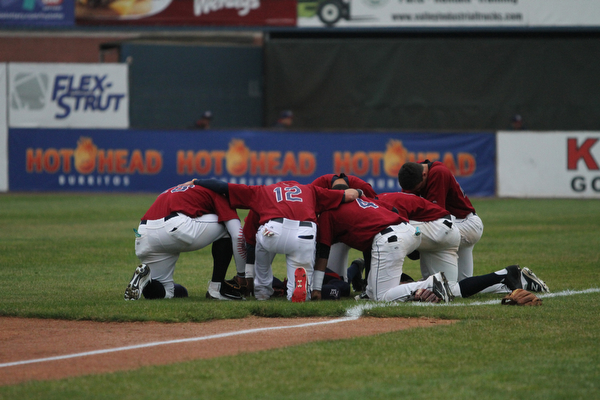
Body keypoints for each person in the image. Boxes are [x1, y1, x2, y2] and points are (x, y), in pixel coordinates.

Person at [188, 178, 361, 302]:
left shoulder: (264, 190)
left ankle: (262, 290)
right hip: (305, 234)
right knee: (301, 292)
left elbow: (223, 186)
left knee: (260, 243)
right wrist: (359, 191)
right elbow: (349, 195)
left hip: (273, 231)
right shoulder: (310, 190)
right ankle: (299, 290)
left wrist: (197, 182)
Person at [124, 182, 246, 301]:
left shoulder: (181, 188)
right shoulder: (221, 195)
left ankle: (146, 280)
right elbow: (238, 235)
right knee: (227, 228)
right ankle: (216, 289)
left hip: (144, 234)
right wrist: (242, 276)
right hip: (172, 227)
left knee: (168, 293)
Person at [398, 160, 483, 282]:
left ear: (424, 175)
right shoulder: (413, 172)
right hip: (455, 223)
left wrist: (412, 241)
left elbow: (434, 217)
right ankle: (505, 278)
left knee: (429, 234)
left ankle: (430, 281)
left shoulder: (438, 173)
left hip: (466, 225)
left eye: (418, 188)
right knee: (464, 284)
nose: (416, 191)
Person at [377, 191, 461, 282]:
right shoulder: (386, 198)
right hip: (452, 230)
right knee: (450, 288)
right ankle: (479, 283)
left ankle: (389, 284)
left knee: (388, 231)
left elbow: (413, 254)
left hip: (436, 229)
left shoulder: (384, 204)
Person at [311, 173, 377, 283]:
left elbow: (376, 210)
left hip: (357, 228)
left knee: (372, 239)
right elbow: (310, 212)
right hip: (334, 232)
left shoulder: (364, 187)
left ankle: (369, 282)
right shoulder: (317, 185)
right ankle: (356, 267)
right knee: (336, 279)